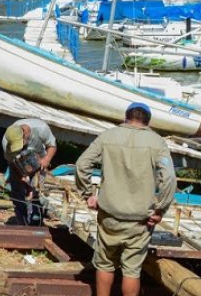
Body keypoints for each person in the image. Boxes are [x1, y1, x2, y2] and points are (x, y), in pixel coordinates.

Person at [75, 102, 177, 296]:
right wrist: (159, 209)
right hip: (140, 220)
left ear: (125, 118)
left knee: (105, 264)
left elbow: (82, 164)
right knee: (132, 270)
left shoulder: (108, 136)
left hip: (109, 215)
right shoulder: (157, 143)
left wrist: (88, 194)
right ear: (148, 122)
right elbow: (169, 178)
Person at [2, 118, 57, 226]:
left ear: (25, 135)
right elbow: (13, 165)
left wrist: (46, 160)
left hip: (40, 159)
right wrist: (22, 180)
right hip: (19, 163)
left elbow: (52, 146)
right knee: (17, 193)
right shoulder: (6, 143)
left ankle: (36, 221)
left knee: (37, 192)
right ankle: (22, 222)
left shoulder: (41, 128)